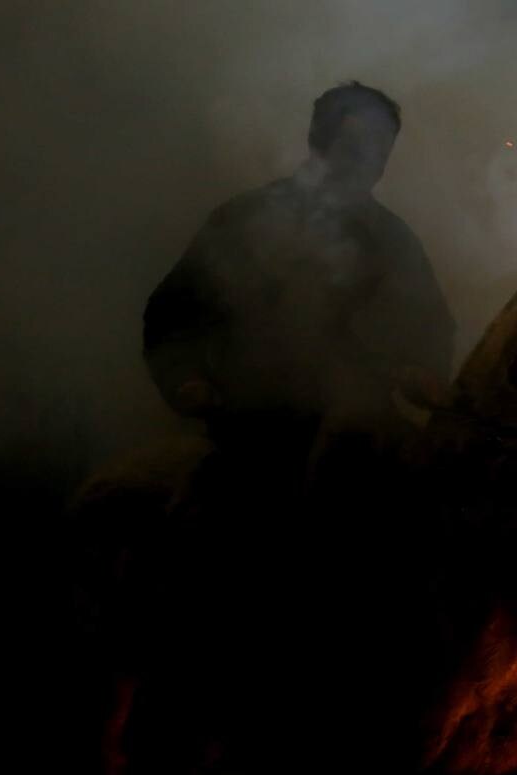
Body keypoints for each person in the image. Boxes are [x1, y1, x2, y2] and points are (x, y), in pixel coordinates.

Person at [142, 81, 454, 507]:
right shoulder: (243, 220)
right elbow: (171, 314)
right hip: (252, 436)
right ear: (317, 143)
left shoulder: (395, 241)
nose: (369, 163)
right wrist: (185, 381)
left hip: (363, 442)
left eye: (382, 150)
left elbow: (431, 326)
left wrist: (426, 371)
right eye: (354, 146)